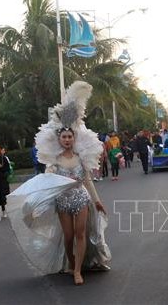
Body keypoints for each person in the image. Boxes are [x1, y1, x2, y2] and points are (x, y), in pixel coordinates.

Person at [8, 82, 110, 285]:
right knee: (69, 236)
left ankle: (78, 270)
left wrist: (96, 201)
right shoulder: (53, 161)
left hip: (81, 199)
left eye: (70, 136)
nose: (67, 139)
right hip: (62, 201)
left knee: (81, 233)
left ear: (74, 138)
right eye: (64, 136)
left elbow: (88, 180)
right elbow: (47, 183)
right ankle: (71, 263)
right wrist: (36, 203)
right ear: (59, 138)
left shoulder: (82, 157)